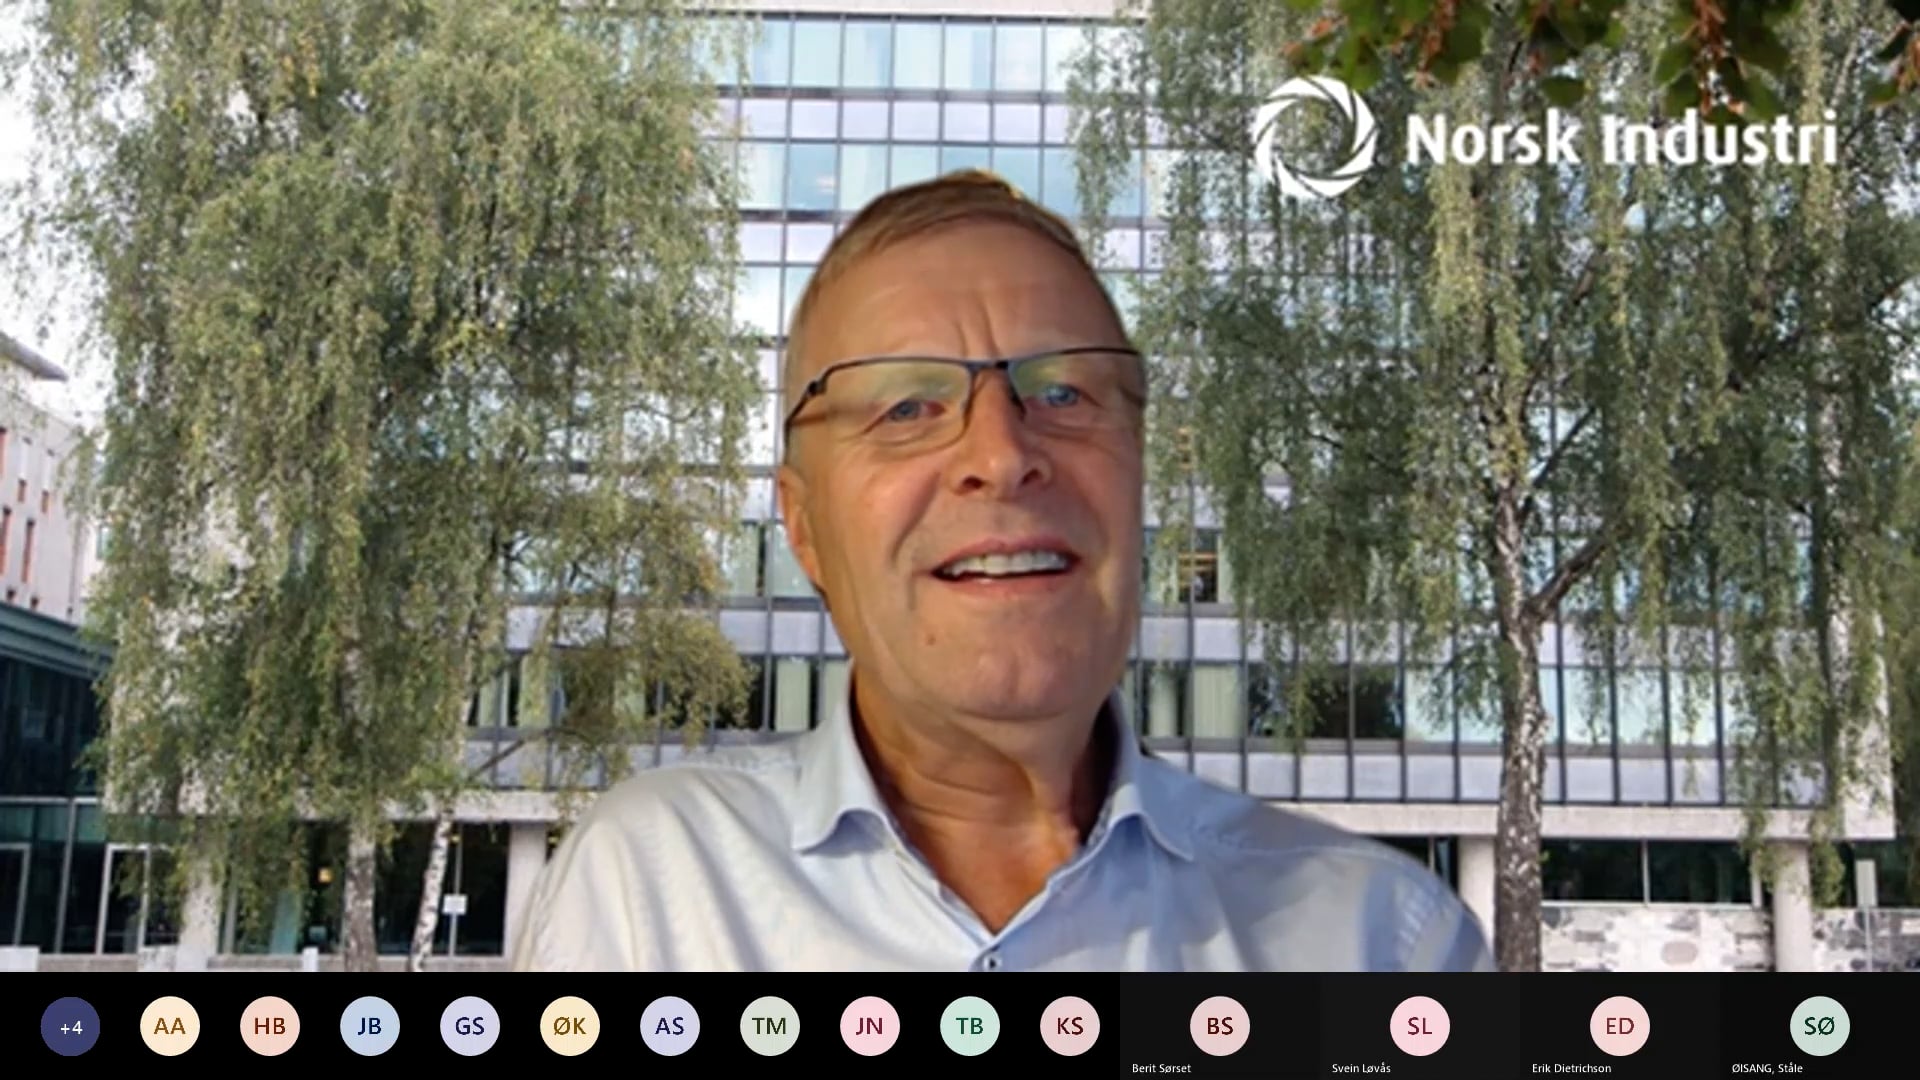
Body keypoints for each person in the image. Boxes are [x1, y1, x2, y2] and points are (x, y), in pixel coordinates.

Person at [511, 170, 1493, 972]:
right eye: (905, 407)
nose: (1001, 453)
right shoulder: (649, 892)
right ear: (804, 529)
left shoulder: (1378, 945)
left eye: (1063, 392)